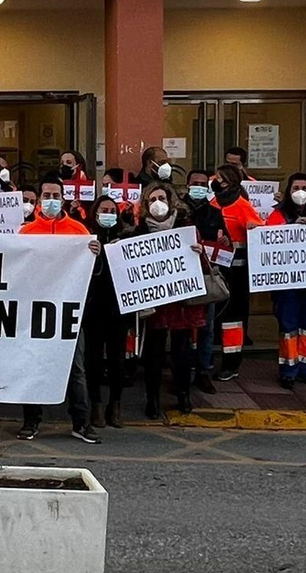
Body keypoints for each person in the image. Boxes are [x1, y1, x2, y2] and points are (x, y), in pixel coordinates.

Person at [16, 174, 99, 442]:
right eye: (47, 196)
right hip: (34, 311)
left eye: (55, 196)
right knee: (32, 365)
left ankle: (81, 423)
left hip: (68, 312)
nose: (51, 200)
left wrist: (95, 255)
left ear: (63, 198)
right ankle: (31, 422)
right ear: (39, 199)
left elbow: (92, 272)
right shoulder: (25, 232)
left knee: (75, 369)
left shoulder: (79, 231)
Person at [137, 182, 206, 414]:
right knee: (153, 355)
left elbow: (204, 266)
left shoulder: (186, 228)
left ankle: (183, 394)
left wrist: (199, 253)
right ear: (146, 205)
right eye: (153, 199)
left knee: (182, 354)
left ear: (170, 202)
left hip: (181, 304)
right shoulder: (140, 232)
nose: (158, 203)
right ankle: (152, 400)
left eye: (162, 198)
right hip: (154, 305)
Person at [267, 173, 306, 390]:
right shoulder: (278, 214)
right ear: (288, 191)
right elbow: (269, 246)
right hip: (288, 286)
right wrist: (292, 228)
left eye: (304, 187)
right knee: (288, 327)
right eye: (296, 188)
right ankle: (288, 370)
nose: (300, 191)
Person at [211, 164, 263, 382]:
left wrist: (252, 230)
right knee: (214, 316)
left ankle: (231, 363)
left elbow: (261, 233)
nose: (215, 181)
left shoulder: (242, 205)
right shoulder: (212, 204)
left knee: (233, 319)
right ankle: (207, 358)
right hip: (214, 269)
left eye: (220, 178)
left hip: (237, 273)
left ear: (230, 182)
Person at [84, 194, 131, 429]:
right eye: (104, 209)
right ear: (95, 212)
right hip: (93, 307)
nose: (108, 214)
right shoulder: (86, 235)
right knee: (93, 359)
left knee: (117, 360)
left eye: (112, 210)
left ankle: (115, 404)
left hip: (120, 307)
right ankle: (96, 405)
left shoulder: (128, 235)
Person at [184, 169, 228, 392]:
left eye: (203, 183)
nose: (199, 186)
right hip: (180, 277)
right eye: (195, 183)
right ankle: (181, 372)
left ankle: (203, 371)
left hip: (204, 276)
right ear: (187, 184)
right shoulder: (178, 211)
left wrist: (224, 241)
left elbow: (224, 245)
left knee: (206, 327)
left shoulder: (214, 213)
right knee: (181, 328)